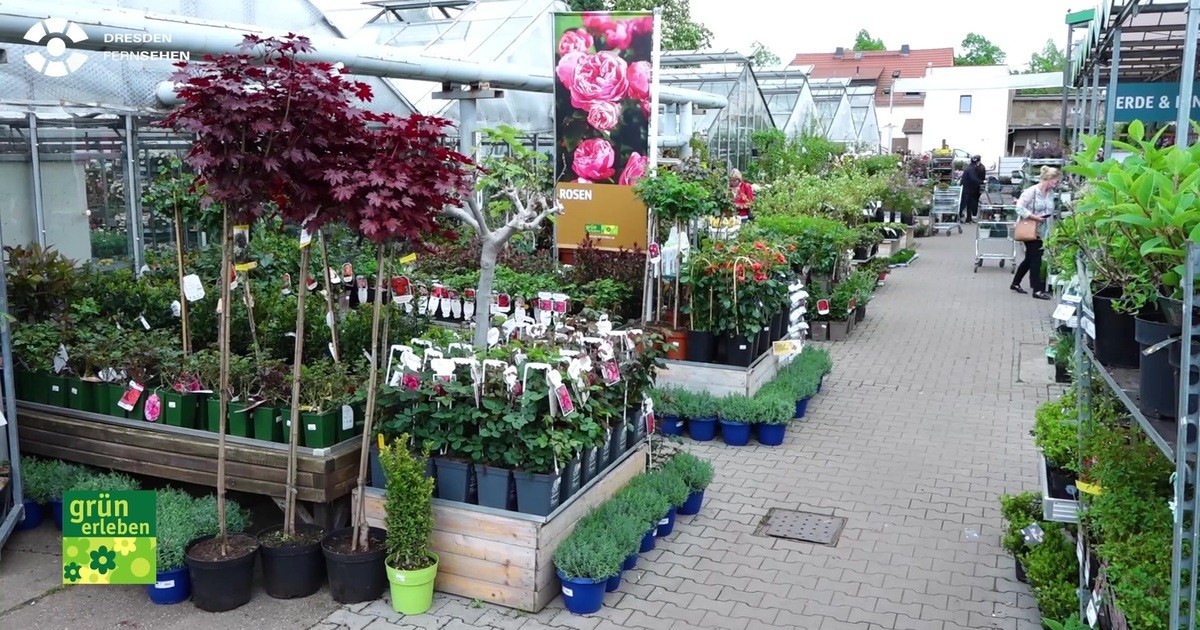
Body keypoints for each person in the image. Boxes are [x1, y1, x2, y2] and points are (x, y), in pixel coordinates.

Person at [1011, 166, 1061, 300]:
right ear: (1048, 179)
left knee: (1030, 259)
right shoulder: (1031, 191)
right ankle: (1037, 290)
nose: (1057, 184)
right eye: (1056, 181)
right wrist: (1034, 217)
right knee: (1036, 259)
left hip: (1044, 230)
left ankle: (1015, 283)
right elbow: (1019, 208)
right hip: (1031, 229)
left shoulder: (1050, 193)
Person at [959, 155, 984, 223]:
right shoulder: (971, 169)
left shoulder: (971, 167)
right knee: (964, 204)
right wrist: (982, 182)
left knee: (969, 204)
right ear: (977, 162)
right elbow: (973, 178)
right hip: (967, 189)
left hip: (968, 188)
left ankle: (969, 218)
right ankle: (958, 217)